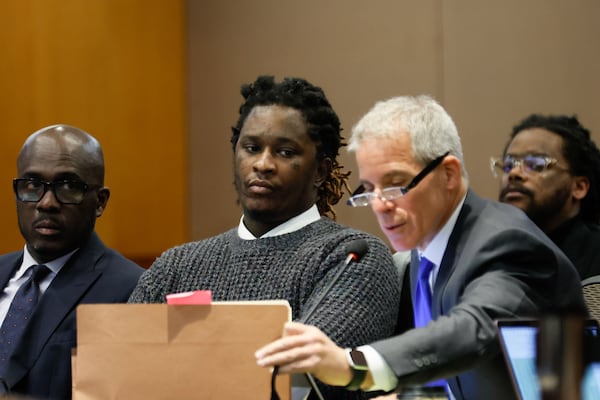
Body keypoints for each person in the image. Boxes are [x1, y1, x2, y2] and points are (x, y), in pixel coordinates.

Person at [254, 95, 587, 400]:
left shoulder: (505, 243)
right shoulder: (426, 245)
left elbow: (473, 332)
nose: (380, 205)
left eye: (397, 184)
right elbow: (452, 374)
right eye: (369, 189)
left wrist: (353, 364)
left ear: (448, 175)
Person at [128, 76, 402, 399]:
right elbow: (124, 365)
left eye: (285, 152)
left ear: (321, 171)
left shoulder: (351, 257)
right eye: (252, 148)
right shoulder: (176, 266)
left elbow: (309, 380)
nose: (262, 164)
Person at [0, 125, 144, 399]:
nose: (47, 203)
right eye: (32, 185)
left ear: (100, 201)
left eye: (68, 187)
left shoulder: (133, 290)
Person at [494, 114, 600, 280]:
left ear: (579, 187)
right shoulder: (491, 254)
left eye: (536, 165)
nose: (514, 173)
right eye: (508, 165)